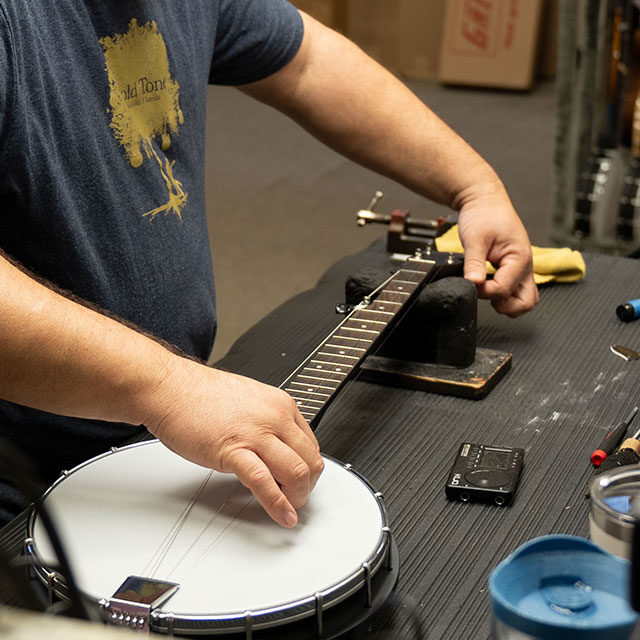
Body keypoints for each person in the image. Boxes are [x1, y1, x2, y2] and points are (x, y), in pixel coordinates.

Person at [0, 0, 538, 528]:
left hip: (153, 434)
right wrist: (166, 386)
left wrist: (474, 187)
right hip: (23, 478)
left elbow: (306, 62)